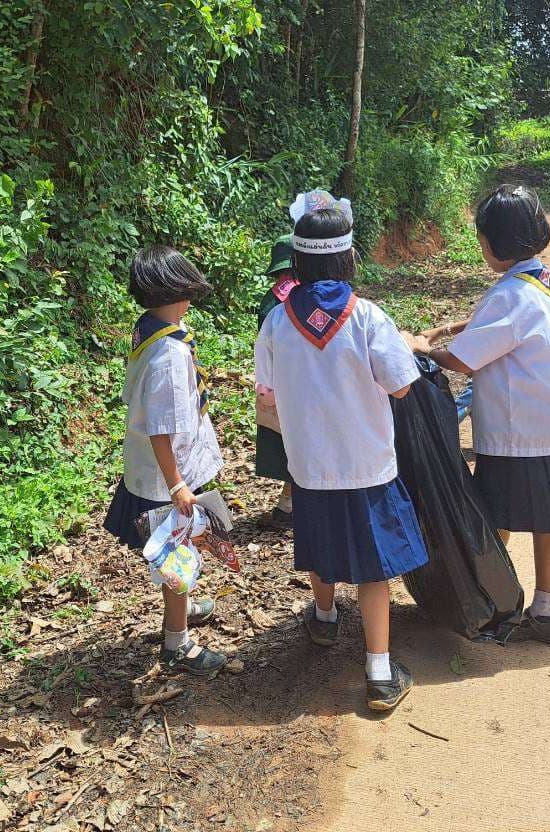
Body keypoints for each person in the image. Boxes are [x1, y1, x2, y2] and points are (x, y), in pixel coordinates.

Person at [417, 185, 550, 645]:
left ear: (493, 244)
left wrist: (422, 347)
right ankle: (546, 610)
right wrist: (449, 326)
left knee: (493, 518)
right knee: (548, 521)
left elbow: (465, 360)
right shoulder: (541, 281)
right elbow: (495, 326)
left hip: (521, 433)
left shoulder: (508, 297)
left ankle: (481, 598)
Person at [255, 199, 427, 712]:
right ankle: (378, 668)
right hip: (368, 464)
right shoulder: (368, 318)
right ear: (349, 261)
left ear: (298, 264)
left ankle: (325, 619)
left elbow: (266, 391)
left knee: (322, 546)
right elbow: (401, 387)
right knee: (375, 568)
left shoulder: (277, 323)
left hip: (309, 465)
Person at [104, 246, 228, 674]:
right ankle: (177, 643)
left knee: (180, 554)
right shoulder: (169, 354)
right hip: (165, 479)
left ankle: (185, 609)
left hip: (154, 469)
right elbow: (161, 427)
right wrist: (177, 485)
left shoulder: (150, 330)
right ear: (179, 292)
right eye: (188, 290)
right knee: (178, 557)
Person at [255, 233, 298, 526]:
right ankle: (290, 506)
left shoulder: (271, 299)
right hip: (305, 383)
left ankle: (289, 506)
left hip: (275, 383)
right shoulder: (309, 295)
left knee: (285, 444)